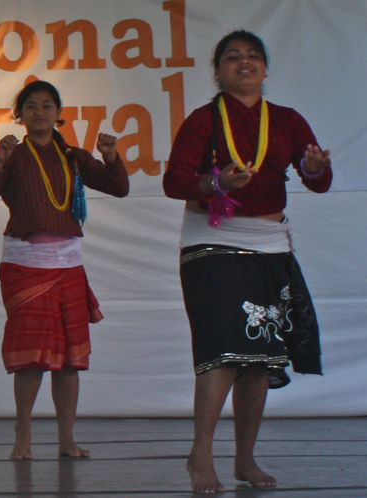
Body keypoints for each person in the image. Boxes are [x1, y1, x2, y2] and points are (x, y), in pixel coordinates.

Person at [163, 30, 332, 493]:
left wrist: (316, 171)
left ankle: (244, 460)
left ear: (264, 68)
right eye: (233, 57)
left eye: (253, 57)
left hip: (270, 243)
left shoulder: (286, 120)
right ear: (216, 70)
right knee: (222, 351)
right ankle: (200, 456)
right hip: (211, 244)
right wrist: (215, 184)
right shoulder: (203, 120)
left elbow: (317, 177)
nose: (244, 63)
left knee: (260, 357)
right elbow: (175, 181)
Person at [0, 80, 129, 460]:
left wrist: (110, 156)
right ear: (19, 116)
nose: (39, 112)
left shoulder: (73, 156)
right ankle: (22, 434)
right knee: (32, 358)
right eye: (30, 106)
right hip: (24, 267)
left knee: (70, 359)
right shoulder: (12, 156)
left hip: (68, 265)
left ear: (59, 114)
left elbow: (119, 188)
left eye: (47, 106)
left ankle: (66, 440)